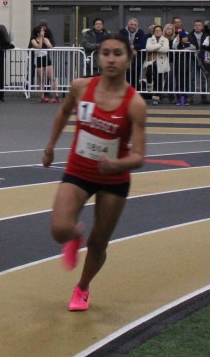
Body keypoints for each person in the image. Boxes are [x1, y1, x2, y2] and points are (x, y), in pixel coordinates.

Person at [41, 34, 147, 312]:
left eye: (118, 54)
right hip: (79, 170)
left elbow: (139, 156)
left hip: (114, 179)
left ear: (128, 59)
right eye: (106, 53)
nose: (111, 59)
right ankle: (75, 234)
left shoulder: (135, 103)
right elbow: (63, 113)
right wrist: (50, 148)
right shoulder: (81, 87)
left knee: (99, 242)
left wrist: (116, 165)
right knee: (59, 229)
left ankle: (82, 288)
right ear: (98, 57)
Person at [30, 23, 58, 102]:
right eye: (42, 31)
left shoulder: (46, 39)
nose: (44, 32)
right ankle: (42, 96)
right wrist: (41, 39)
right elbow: (38, 47)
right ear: (38, 33)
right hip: (39, 59)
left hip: (46, 58)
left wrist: (46, 42)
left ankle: (56, 95)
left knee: (52, 78)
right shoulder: (33, 40)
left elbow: (50, 47)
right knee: (41, 79)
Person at [144, 25, 170, 104]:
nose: (158, 32)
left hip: (161, 62)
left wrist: (154, 48)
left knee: (158, 81)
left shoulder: (165, 39)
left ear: (162, 32)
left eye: (159, 30)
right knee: (148, 73)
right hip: (151, 61)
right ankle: (149, 84)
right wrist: (159, 45)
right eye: (156, 30)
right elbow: (148, 48)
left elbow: (165, 49)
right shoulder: (149, 39)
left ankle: (156, 99)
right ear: (154, 32)